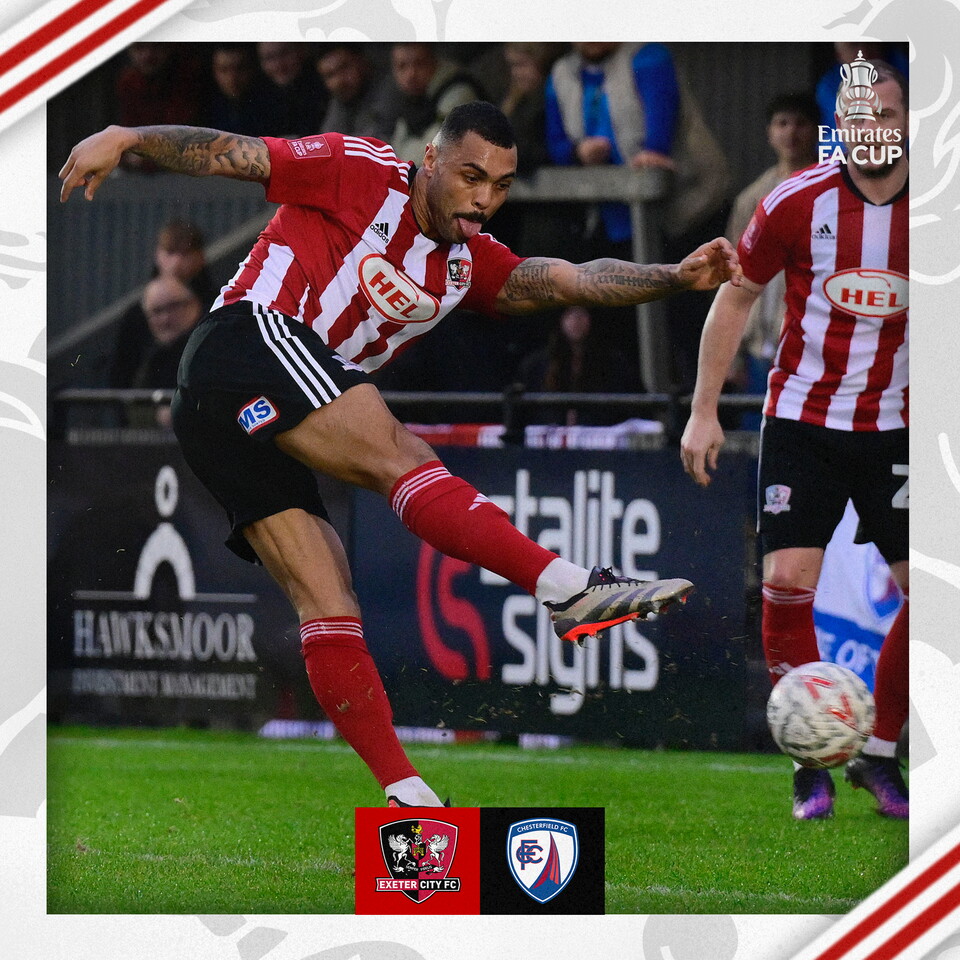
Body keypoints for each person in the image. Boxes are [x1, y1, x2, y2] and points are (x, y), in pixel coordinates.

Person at [60, 101, 741, 808]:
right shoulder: (358, 170)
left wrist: (671, 275)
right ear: (431, 161)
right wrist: (130, 135)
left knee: (329, 598)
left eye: (502, 186)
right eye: (472, 176)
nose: (484, 199)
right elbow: (235, 150)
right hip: (245, 339)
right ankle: (566, 586)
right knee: (398, 450)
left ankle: (408, 797)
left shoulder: (465, 264)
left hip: (221, 413)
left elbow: (564, 278)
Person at [680, 63, 909, 821]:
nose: (874, 125)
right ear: (837, 126)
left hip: (901, 424)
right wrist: (704, 409)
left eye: (887, 110)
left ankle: (880, 757)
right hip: (804, 420)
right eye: (858, 114)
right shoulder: (795, 200)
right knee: (784, 585)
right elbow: (736, 293)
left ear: (908, 119)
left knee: (936, 596)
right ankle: (811, 760)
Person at [545, 42, 731, 388]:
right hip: (605, 221)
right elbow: (555, 143)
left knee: (681, 321)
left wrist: (652, 152)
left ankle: (699, 410)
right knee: (620, 326)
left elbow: (660, 131)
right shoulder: (561, 73)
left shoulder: (647, 56)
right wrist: (577, 151)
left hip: (676, 215)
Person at [725, 93, 820, 422]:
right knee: (756, 449)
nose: (791, 132)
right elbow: (731, 276)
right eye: (782, 123)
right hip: (756, 349)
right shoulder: (751, 198)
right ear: (769, 132)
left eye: (800, 123)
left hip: (810, 345)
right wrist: (731, 354)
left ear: (818, 130)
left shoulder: (831, 191)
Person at [109, 219, 216, 390]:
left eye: (185, 253)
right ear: (158, 254)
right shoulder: (135, 317)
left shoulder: (218, 307)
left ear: (200, 256)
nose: (177, 262)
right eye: (170, 252)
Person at [388, 43, 484, 162]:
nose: (411, 74)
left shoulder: (459, 93)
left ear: (434, 62)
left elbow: (435, 153)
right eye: (402, 66)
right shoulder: (410, 98)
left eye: (419, 64)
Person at [316, 45, 393, 141]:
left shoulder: (389, 89)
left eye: (343, 68)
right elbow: (327, 142)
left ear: (361, 61)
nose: (338, 81)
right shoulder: (341, 99)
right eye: (330, 75)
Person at [205, 44, 280, 138]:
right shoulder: (207, 108)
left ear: (252, 68)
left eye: (239, 68)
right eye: (223, 70)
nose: (232, 78)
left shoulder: (273, 106)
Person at [256, 42, 328, 137]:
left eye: (284, 53)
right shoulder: (260, 99)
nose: (279, 65)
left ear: (302, 51)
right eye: (269, 58)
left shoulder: (324, 89)